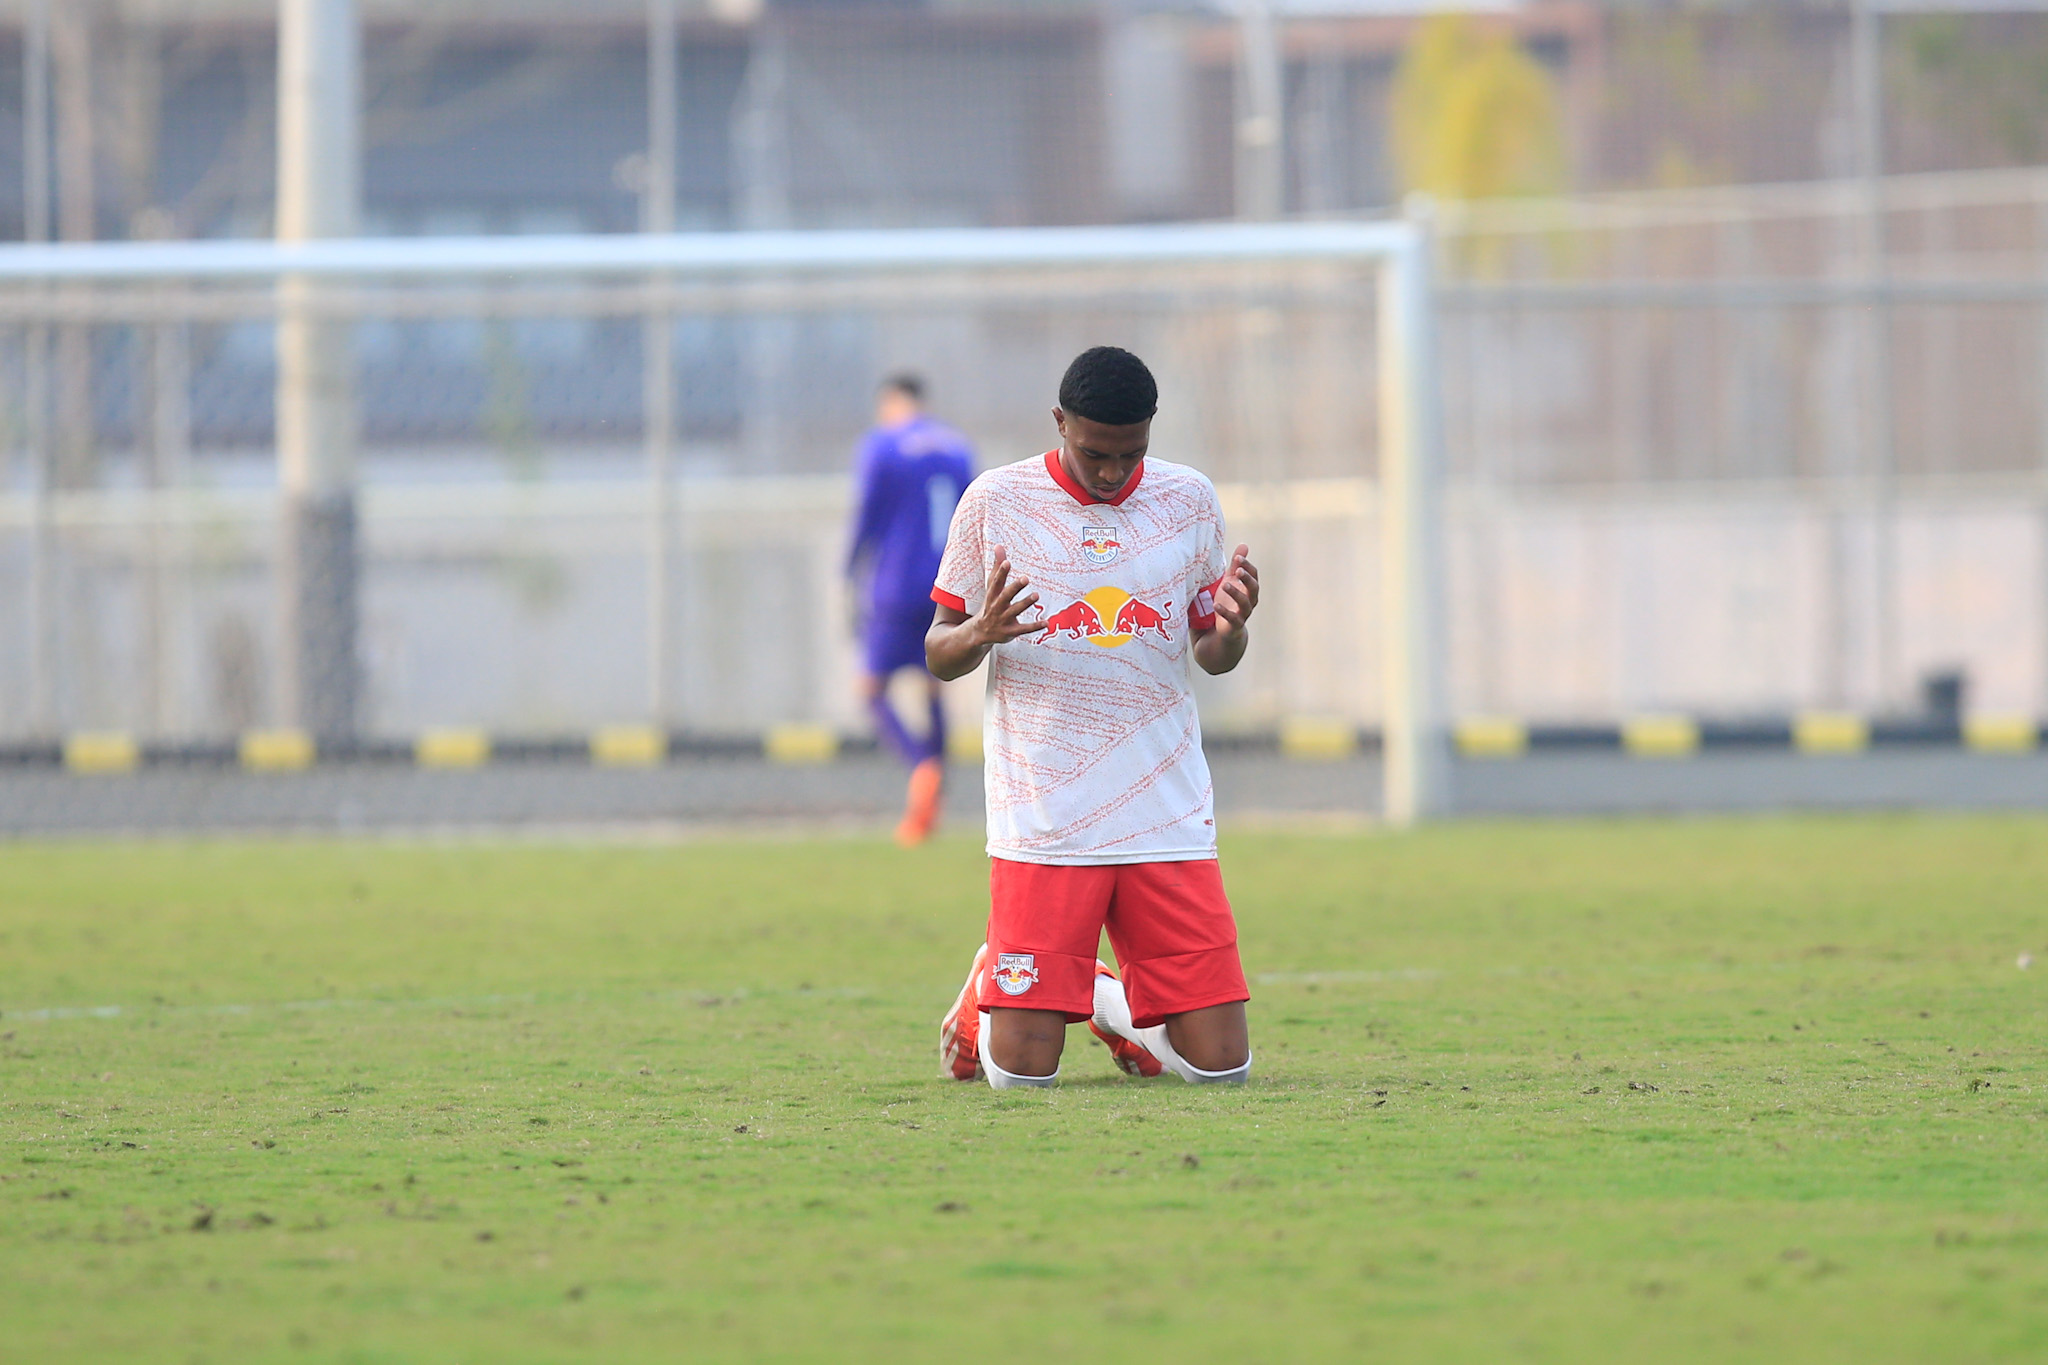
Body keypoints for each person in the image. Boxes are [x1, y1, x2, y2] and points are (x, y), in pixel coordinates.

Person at [925, 346, 1262, 1088]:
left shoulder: (1189, 499)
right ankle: (991, 983)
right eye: (1094, 453)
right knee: (1021, 1078)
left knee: (1224, 1071)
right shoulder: (994, 500)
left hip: (1161, 809)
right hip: (1045, 815)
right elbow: (938, 651)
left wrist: (1231, 631)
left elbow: (1211, 649)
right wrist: (978, 633)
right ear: (1060, 424)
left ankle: (1108, 1003)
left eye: (1130, 453)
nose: (1111, 472)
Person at [846, 372, 976, 846]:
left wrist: (848, 570)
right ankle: (932, 804)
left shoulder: (882, 446)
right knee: (934, 687)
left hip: (896, 583)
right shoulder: (957, 447)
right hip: (946, 583)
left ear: (891, 402)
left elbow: (867, 516)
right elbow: (972, 511)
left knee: (871, 688)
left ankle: (922, 766)